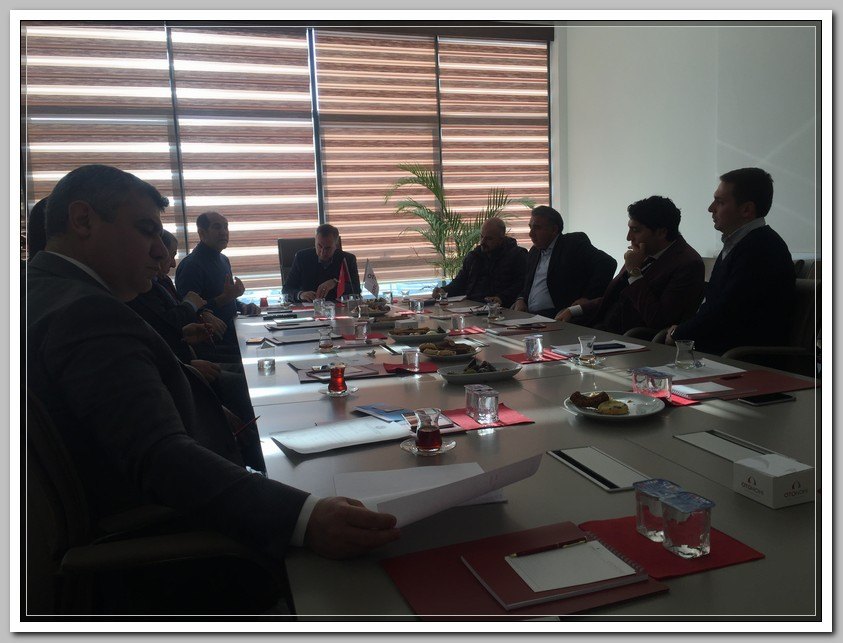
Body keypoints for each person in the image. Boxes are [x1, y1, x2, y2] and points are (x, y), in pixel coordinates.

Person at [26, 165, 400, 608]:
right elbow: (161, 459)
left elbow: (118, 413)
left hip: (142, 507)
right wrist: (305, 517)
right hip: (167, 545)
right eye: (146, 229)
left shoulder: (40, 292)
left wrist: (197, 396)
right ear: (83, 220)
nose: (159, 250)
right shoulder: (85, 313)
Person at [667, 167, 795, 355]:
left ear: (746, 209)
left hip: (741, 357)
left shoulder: (761, 248)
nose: (710, 208)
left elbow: (725, 311)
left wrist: (679, 333)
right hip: (718, 351)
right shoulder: (740, 243)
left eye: (719, 202)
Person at [556, 196, 705, 333]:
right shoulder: (643, 253)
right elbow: (616, 297)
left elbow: (659, 319)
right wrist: (574, 310)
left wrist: (634, 273)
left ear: (661, 232)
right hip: (603, 328)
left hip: (633, 338)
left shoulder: (688, 264)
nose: (628, 237)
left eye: (635, 230)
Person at [512, 205, 617, 318]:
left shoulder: (572, 243)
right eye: (530, 227)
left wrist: (588, 298)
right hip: (529, 315)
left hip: (558, 315)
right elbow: (528, 284)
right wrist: (521, 299)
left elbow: (607, 263)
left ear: (554, 230)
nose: (530, 234)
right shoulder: (534, 251)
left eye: (537, 228)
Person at [174, 211, 260, 346]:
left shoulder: (223, 259)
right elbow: (190, 311)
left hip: (232, 333)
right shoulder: (191, 265)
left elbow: (225, 298)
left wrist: (242, 306)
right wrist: (226, 297)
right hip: (213, 343)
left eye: (225, 227)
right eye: (217, 227)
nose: (224, 232)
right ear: (202, 233)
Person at [431, 217, 527, 307]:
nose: (483, 242)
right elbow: (460, 282)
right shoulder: (474, 256)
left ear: (501, 239)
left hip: (500, 309)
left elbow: (521, 285)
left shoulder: (517, 256)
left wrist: (501, 298)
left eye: (489, 238)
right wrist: (443, 291)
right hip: (470, 307)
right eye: (481, 237)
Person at [281, 224, 360, 303]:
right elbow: (286, 289)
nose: (322, 252)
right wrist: (300, 294)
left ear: (336, 245)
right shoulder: (302, 257)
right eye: (319, 246)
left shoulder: (348, 259)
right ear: (315, 242)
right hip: (309, 306)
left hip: (336, 306)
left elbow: (356, 289)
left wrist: (336, 283)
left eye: (328, 248)